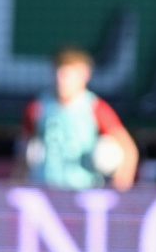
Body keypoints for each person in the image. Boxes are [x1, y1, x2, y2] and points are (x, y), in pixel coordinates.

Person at [16, 45, 139, 192]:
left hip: (83, 194)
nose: (62, 80)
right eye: (58, 72)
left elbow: (128, 149)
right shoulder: (38, 107)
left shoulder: (95, 107)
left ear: (84, 74)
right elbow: (23, 153)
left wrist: (120, 189)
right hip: (45, 193)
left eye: (68, 74)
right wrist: (16, 187)